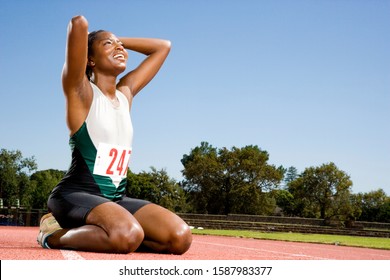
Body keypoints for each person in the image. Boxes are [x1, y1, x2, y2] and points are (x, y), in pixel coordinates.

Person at [37, 15, 192, 254]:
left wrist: (117, 41)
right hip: (76, 195)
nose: (119, 47)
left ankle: (116, 233)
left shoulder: (125, 94)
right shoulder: (81, 92)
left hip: (116, 199)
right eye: (107, 44)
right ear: (90, 60)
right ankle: (52, 234)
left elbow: (163, 47)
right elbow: (78, 24)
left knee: (179, 238)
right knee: (126, 234)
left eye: (119, 44)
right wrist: (89, 33)